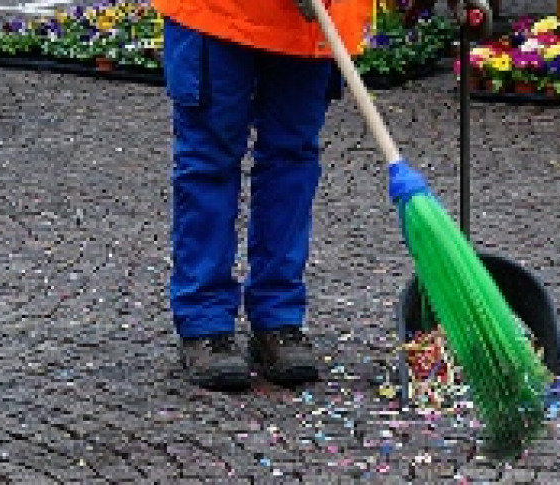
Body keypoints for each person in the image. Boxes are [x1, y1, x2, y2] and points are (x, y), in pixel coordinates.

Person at [152, 0, 490, 391]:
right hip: (219, 13)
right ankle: (204, 321)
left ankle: (278, 318)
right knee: (209, 162)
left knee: (291, 162)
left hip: (313, 24)